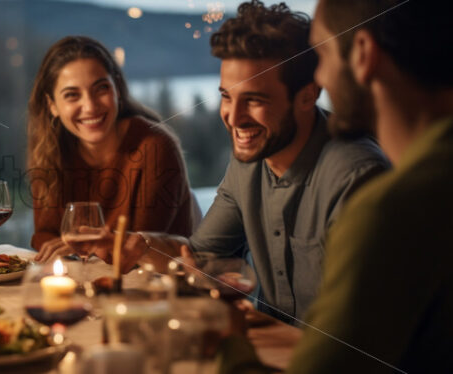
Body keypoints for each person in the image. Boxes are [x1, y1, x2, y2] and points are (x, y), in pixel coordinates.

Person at [106, 0, 389, 322]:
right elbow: (201, 257)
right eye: (226, 96)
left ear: (308, 95)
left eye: (254, 100)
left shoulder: (358, 178)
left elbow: (364, 329)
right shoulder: (250, 159)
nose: (233, 118)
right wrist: (140, 245)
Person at [215, 0, 453, 372]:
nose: (320, 78)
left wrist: (230, 341)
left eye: (322, 54)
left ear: (363, 54)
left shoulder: (391, 205)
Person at [28, 36, 196, 262]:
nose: (90, 106)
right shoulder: (52, 150)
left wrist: (75, 243)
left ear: (117, 89)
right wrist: (77, 244)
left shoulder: (155, 146)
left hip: (156, 288)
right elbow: (44, 235)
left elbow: (133, 250)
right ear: (52, 106)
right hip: (87, 282)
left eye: (101, 89)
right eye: (72, 95)